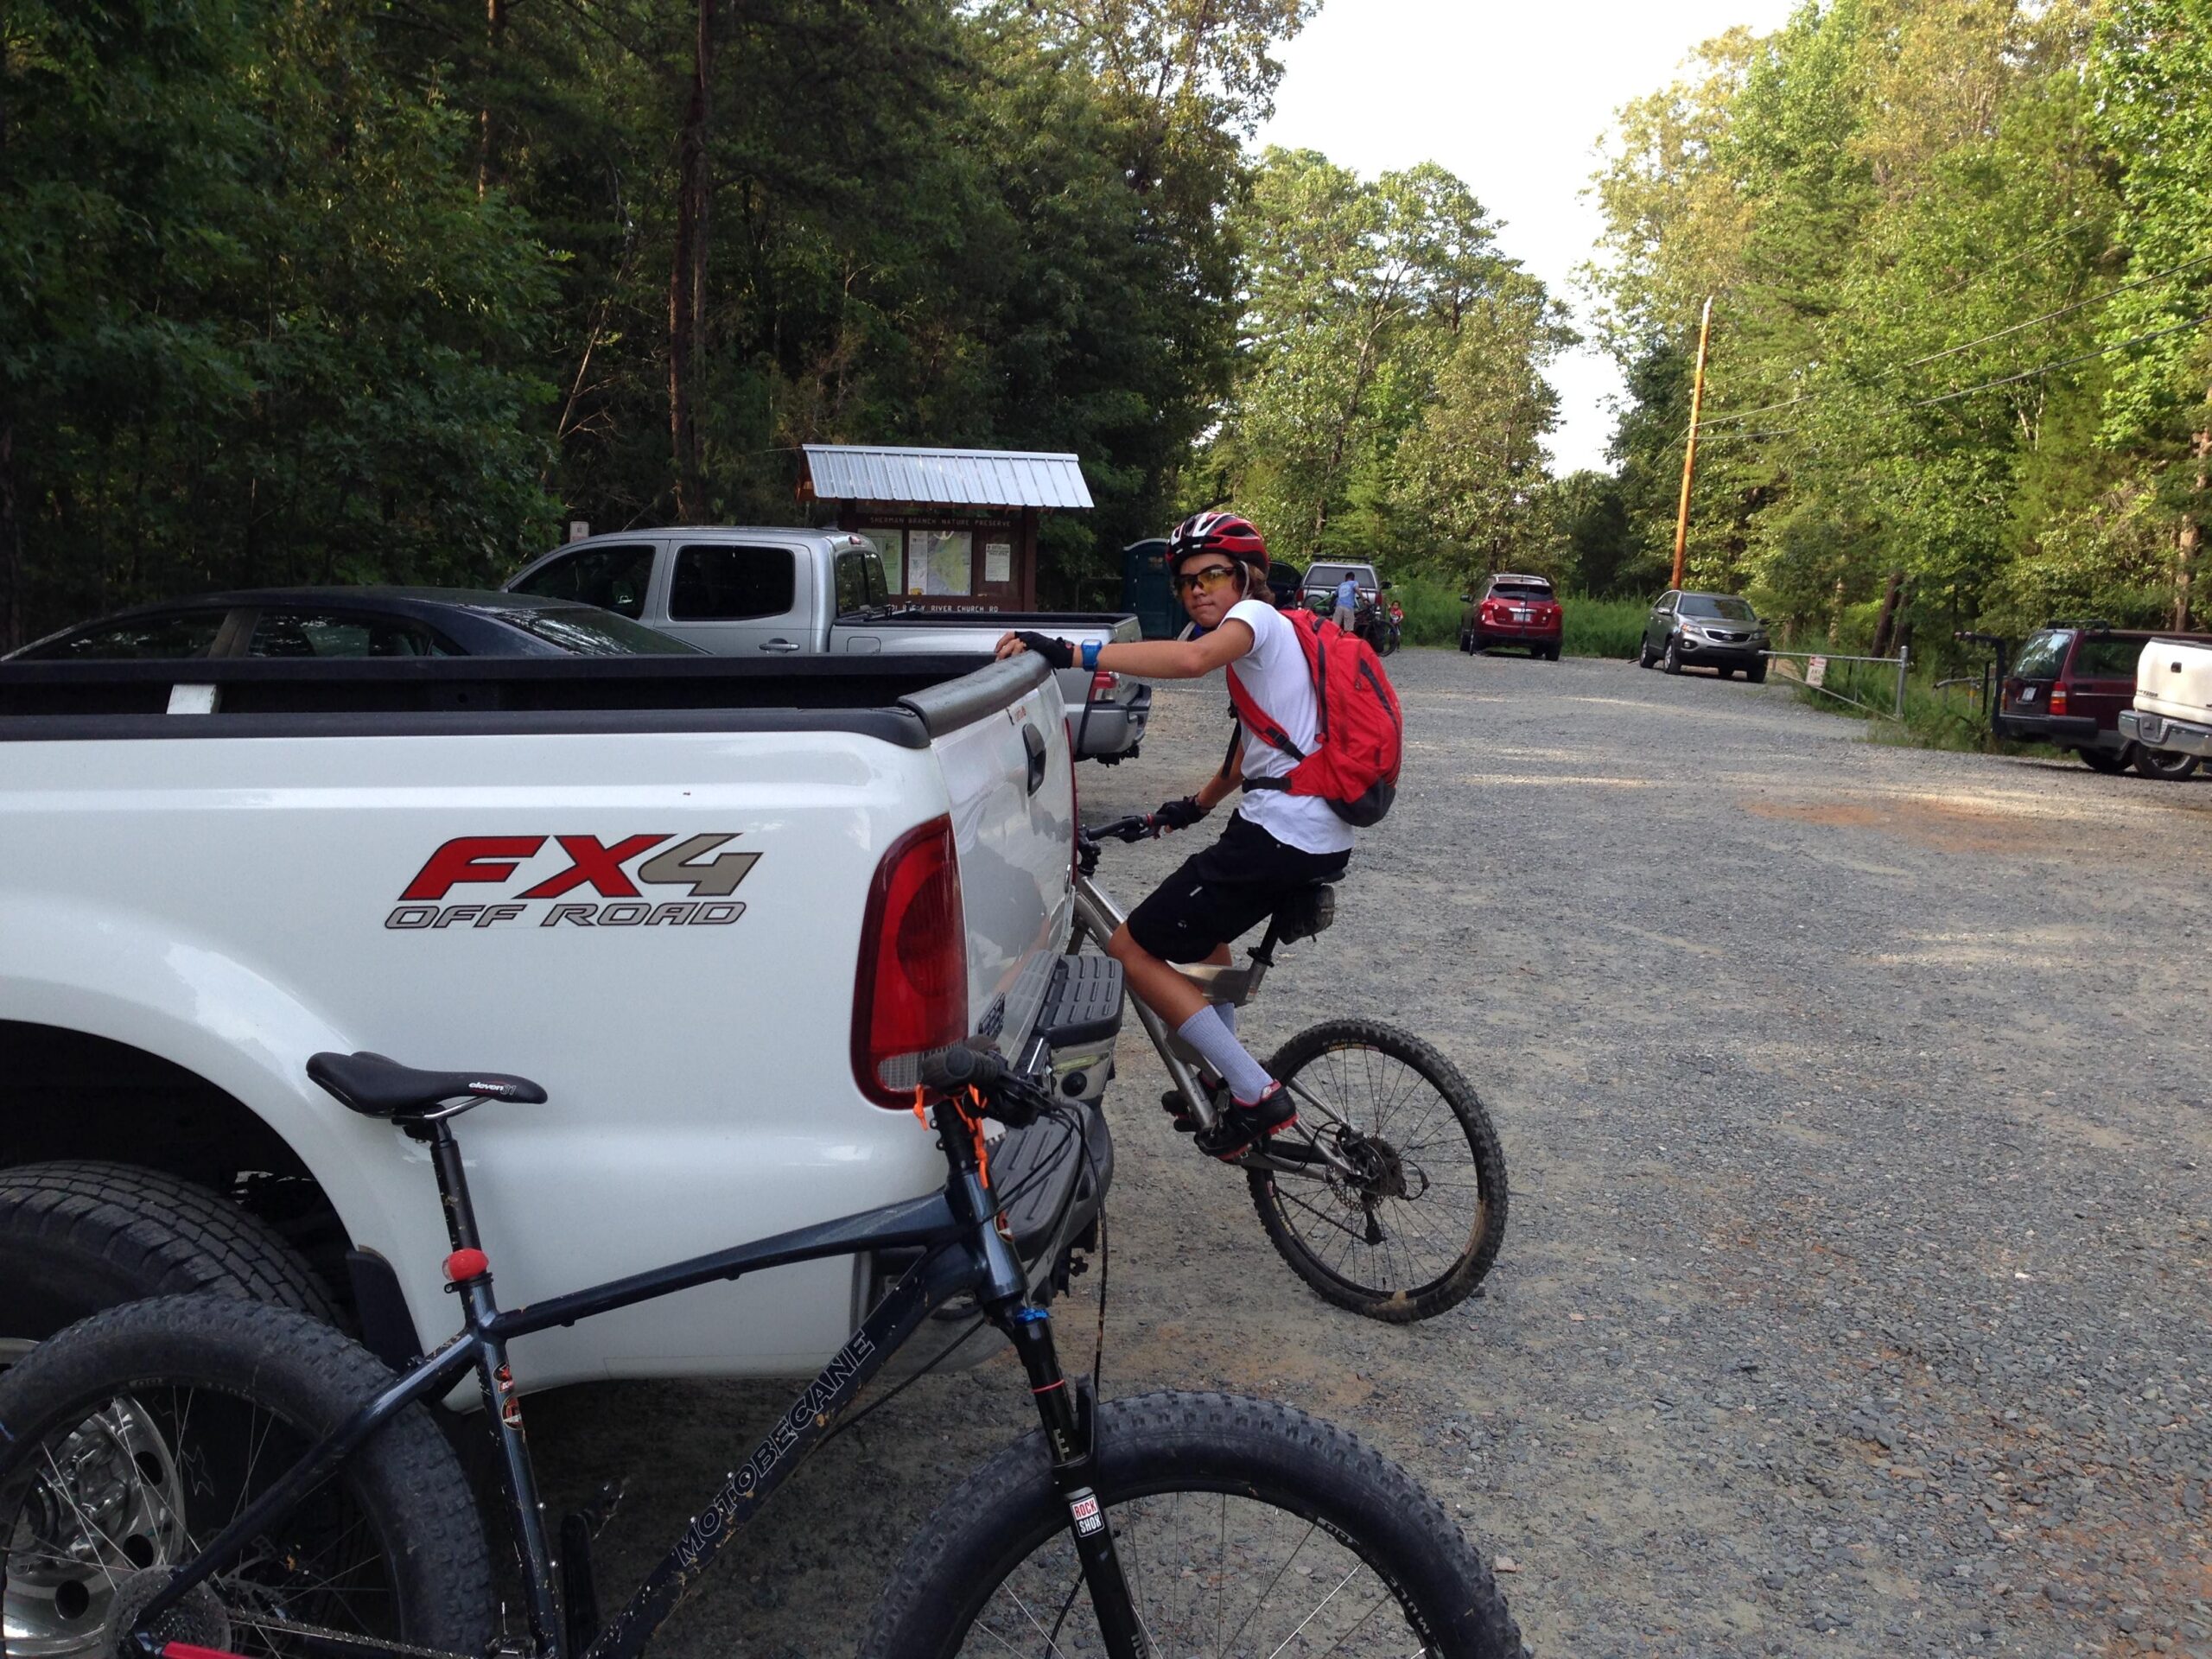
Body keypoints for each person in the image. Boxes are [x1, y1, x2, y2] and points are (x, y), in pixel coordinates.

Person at [995, 512, 1354, 1160]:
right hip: (1314, 835)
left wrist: (1074, 652)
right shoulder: (1281, 642)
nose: (1198, 591)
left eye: (1213, 575)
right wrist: (1194, 805)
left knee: (1132, 950)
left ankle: (1252, 1091)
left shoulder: (1260, 620)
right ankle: (1219, 1078)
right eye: (1187, 582)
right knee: (1205, 937)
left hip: (1280, 835)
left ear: (1247, 577)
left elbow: (1190, 658)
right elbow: (1254, 748)